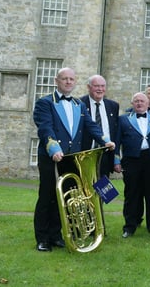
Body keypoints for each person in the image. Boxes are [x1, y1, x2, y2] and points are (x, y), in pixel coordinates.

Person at [32, 67, 116, 252]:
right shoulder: (44, 102)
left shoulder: (79, 104)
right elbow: (45, 128)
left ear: (75, 82)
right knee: (47, 197)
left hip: (72, 158)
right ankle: (43, 238)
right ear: (57, 81)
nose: (68, 82)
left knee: (65, 198)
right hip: (52, 156)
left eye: (71, 79)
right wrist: (54, 148)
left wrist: (105, 140)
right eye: (65, 79)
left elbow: (91, 126)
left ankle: (57, 235)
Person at [113, 92, 150, 238]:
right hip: (131, 160)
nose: (139, 103)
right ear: (132, 104)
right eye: (136, 101)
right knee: (132, 193)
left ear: (148, 103)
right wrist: (116, 161)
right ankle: (130, 226)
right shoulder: (123, 120)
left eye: (142, 101)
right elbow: (116, 142)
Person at [80, 74, 120, 177]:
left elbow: (114, 132)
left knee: (105, 191)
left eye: (102, 86)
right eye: (96, 86)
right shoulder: (79, 104)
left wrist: (116, 157)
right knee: (86, 188)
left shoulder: (113, 106)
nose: (100, 89)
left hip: (105, 156)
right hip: (85, 155)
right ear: (89, 87)